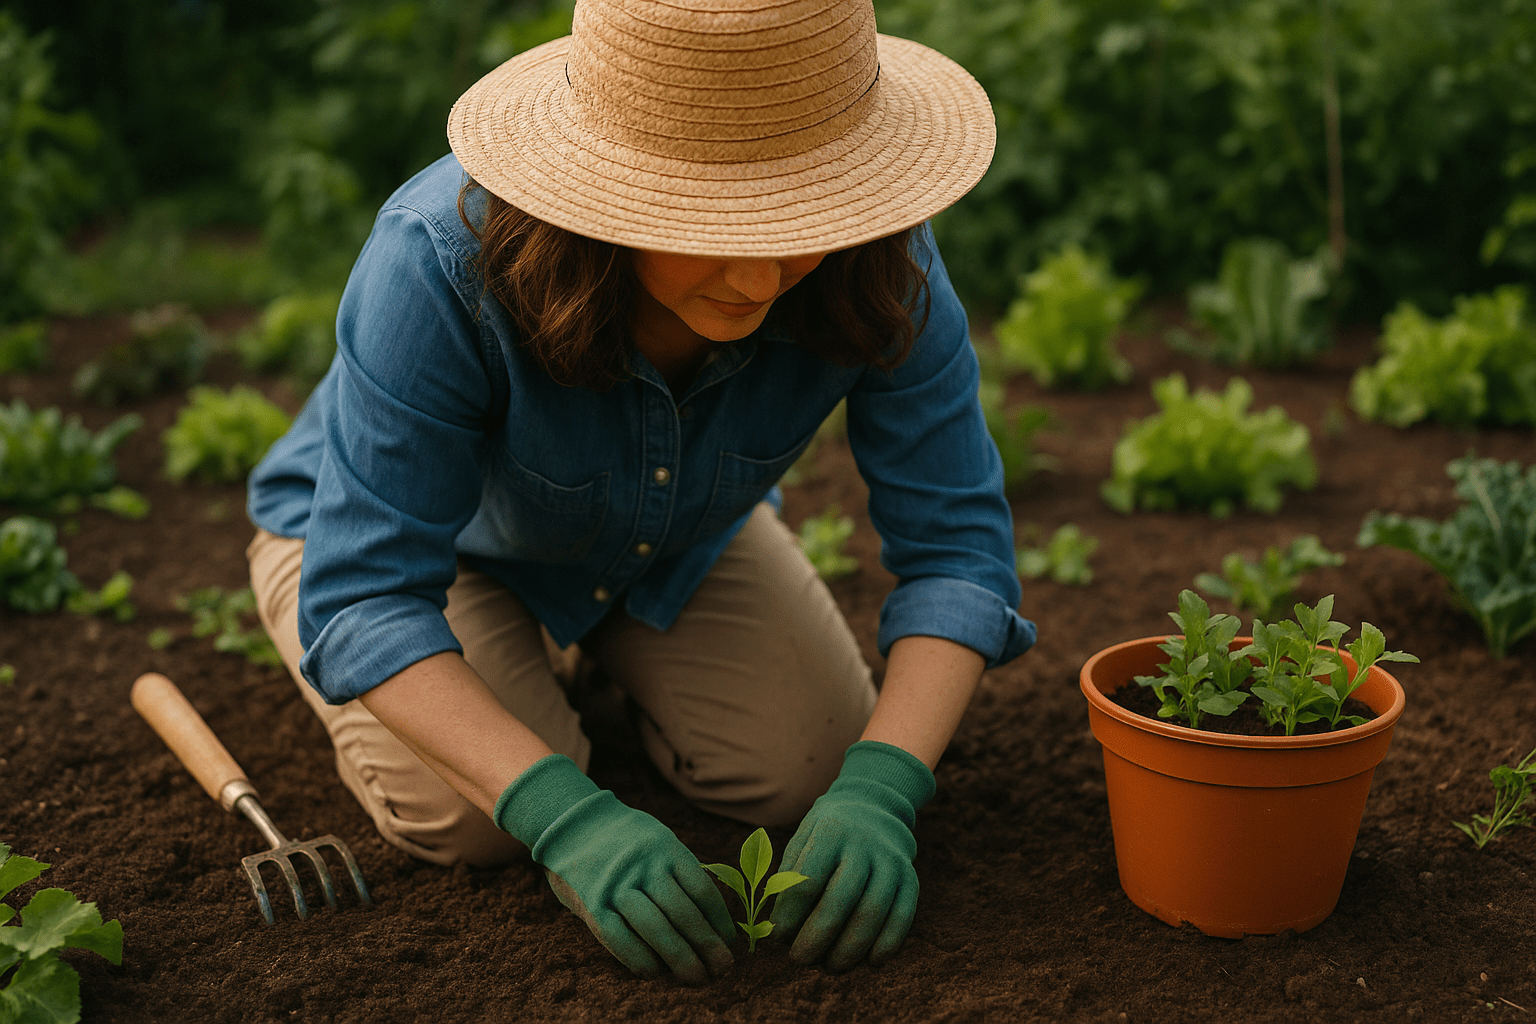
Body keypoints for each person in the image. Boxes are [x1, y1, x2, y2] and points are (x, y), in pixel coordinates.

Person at [245, 0, 1035, 984]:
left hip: (674, 535)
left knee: (805, 767)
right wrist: (561, 813)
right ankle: (522, 673)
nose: (759, 277)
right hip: (428, 552)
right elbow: (367, 593)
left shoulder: (884, 261)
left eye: (804, 221)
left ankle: (570, 660)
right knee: (469, 821)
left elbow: (958, 546)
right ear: (606, 188)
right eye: (705, 224)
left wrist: (884, 785)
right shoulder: (437, 262)